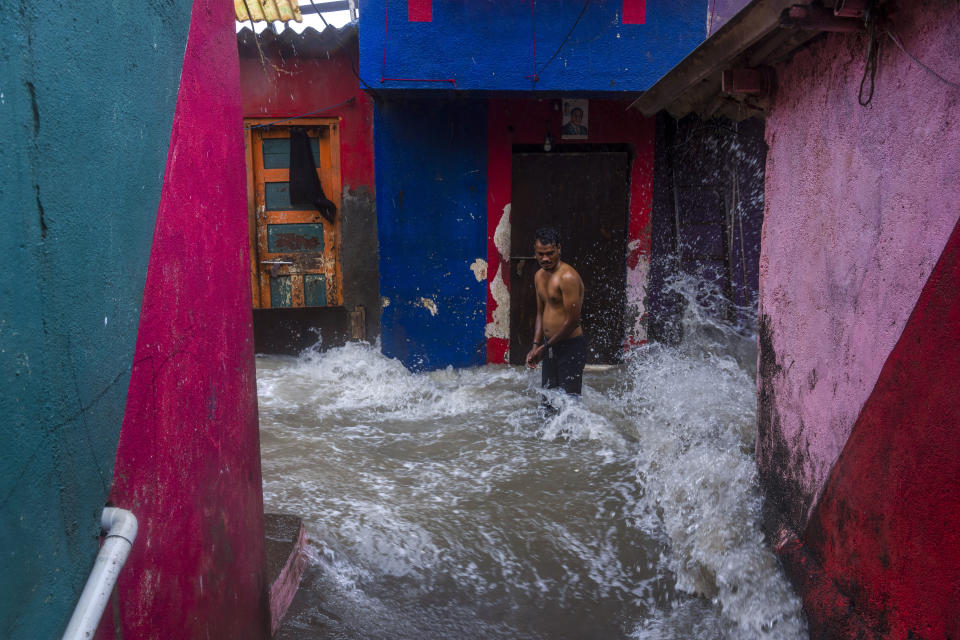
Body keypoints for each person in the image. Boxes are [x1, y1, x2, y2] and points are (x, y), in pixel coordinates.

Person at [525, 227, 586, 395]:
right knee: (548, 400)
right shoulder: (539, 275)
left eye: (550, 253)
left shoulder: (567, 277)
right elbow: (540, 312)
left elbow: (574, 321)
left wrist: (544, 347)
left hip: (570, 347)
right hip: (548, 346)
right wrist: (535, 346)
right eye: (540, 254)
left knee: (570, 401)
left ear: (559, 249)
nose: (545, 258)